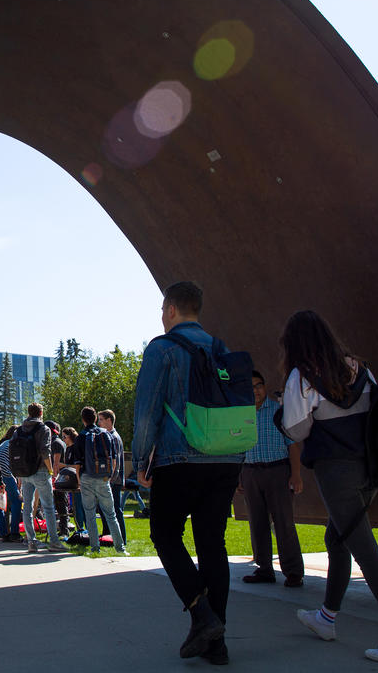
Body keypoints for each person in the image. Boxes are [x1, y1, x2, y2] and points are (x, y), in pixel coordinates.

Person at [280, 310, 378, 666]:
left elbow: (295, 430)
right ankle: (327, 617)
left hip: (335, 471)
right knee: (336, 538)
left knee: (365, 551)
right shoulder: (358, 368)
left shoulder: (302, 376)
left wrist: (287, 412)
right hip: (370, 469)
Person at [132, 281, 244, 665]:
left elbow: (147, 409)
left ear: (169, 310)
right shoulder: (221, 349)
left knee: (164, 534)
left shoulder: (162, 348)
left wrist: (142, 458)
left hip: (180, 458)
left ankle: (201, 613)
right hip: (226, 458)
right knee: (213, 543)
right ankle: (218, 643)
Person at [239, 370, 306, 588]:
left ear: (265, 387)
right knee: (257, 523)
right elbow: (236, 448)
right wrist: (239, 476)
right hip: (250, 472)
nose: (255, 391)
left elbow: (293, 445)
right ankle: (264, 569)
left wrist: (296, 475)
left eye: (258, 385)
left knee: (284, 522)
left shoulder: (279, 412)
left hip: (278, 471)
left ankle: (293, 571)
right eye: (249, 387)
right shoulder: (241, 415)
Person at [68, 407, 128, 555]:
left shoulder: (81, 437)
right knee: (111, 514)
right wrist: (109, 476)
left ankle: (95, 547)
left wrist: (79, 481)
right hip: (103, 478)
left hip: (86, 477)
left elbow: (77, 464)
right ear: (95, 418)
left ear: (83, 419)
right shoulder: (106, 434)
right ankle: (120, 547)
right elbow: (113, 460)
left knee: (89, 514)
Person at [15, 403, 68, 553]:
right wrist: (50, 470)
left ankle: (31, 541)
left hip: (25, 473)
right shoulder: (43, 429)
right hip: (41, 471)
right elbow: (45, 451)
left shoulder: (20, 430)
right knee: (48, 507)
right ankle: (54, 541)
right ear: (41, 413)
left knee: (28, 508)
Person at [97, 409, 127, 542]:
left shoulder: (113, 437)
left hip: (114, 480)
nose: (99, 423)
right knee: (106, 509)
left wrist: (110, 480)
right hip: (113, 479)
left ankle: (121, 539)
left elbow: (116, 462)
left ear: (109, 420)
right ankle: (109, 536)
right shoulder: (109, 436)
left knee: (115, 509)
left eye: (101, 420)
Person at [0, 425, 22, 541]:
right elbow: (17, 463)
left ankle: (3, 532)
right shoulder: (14, 444)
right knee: (16, 501)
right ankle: (15, 533)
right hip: (6, 474)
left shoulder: (3, 443)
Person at [46, 420, 71, 538]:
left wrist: (53, 477)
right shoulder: (53, 442)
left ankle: (64, 529)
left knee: (61, 503)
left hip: (59, 478)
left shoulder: (56, 443)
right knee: (57, 504)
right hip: (57, 477)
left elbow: (56, 463)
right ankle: (61, 528)